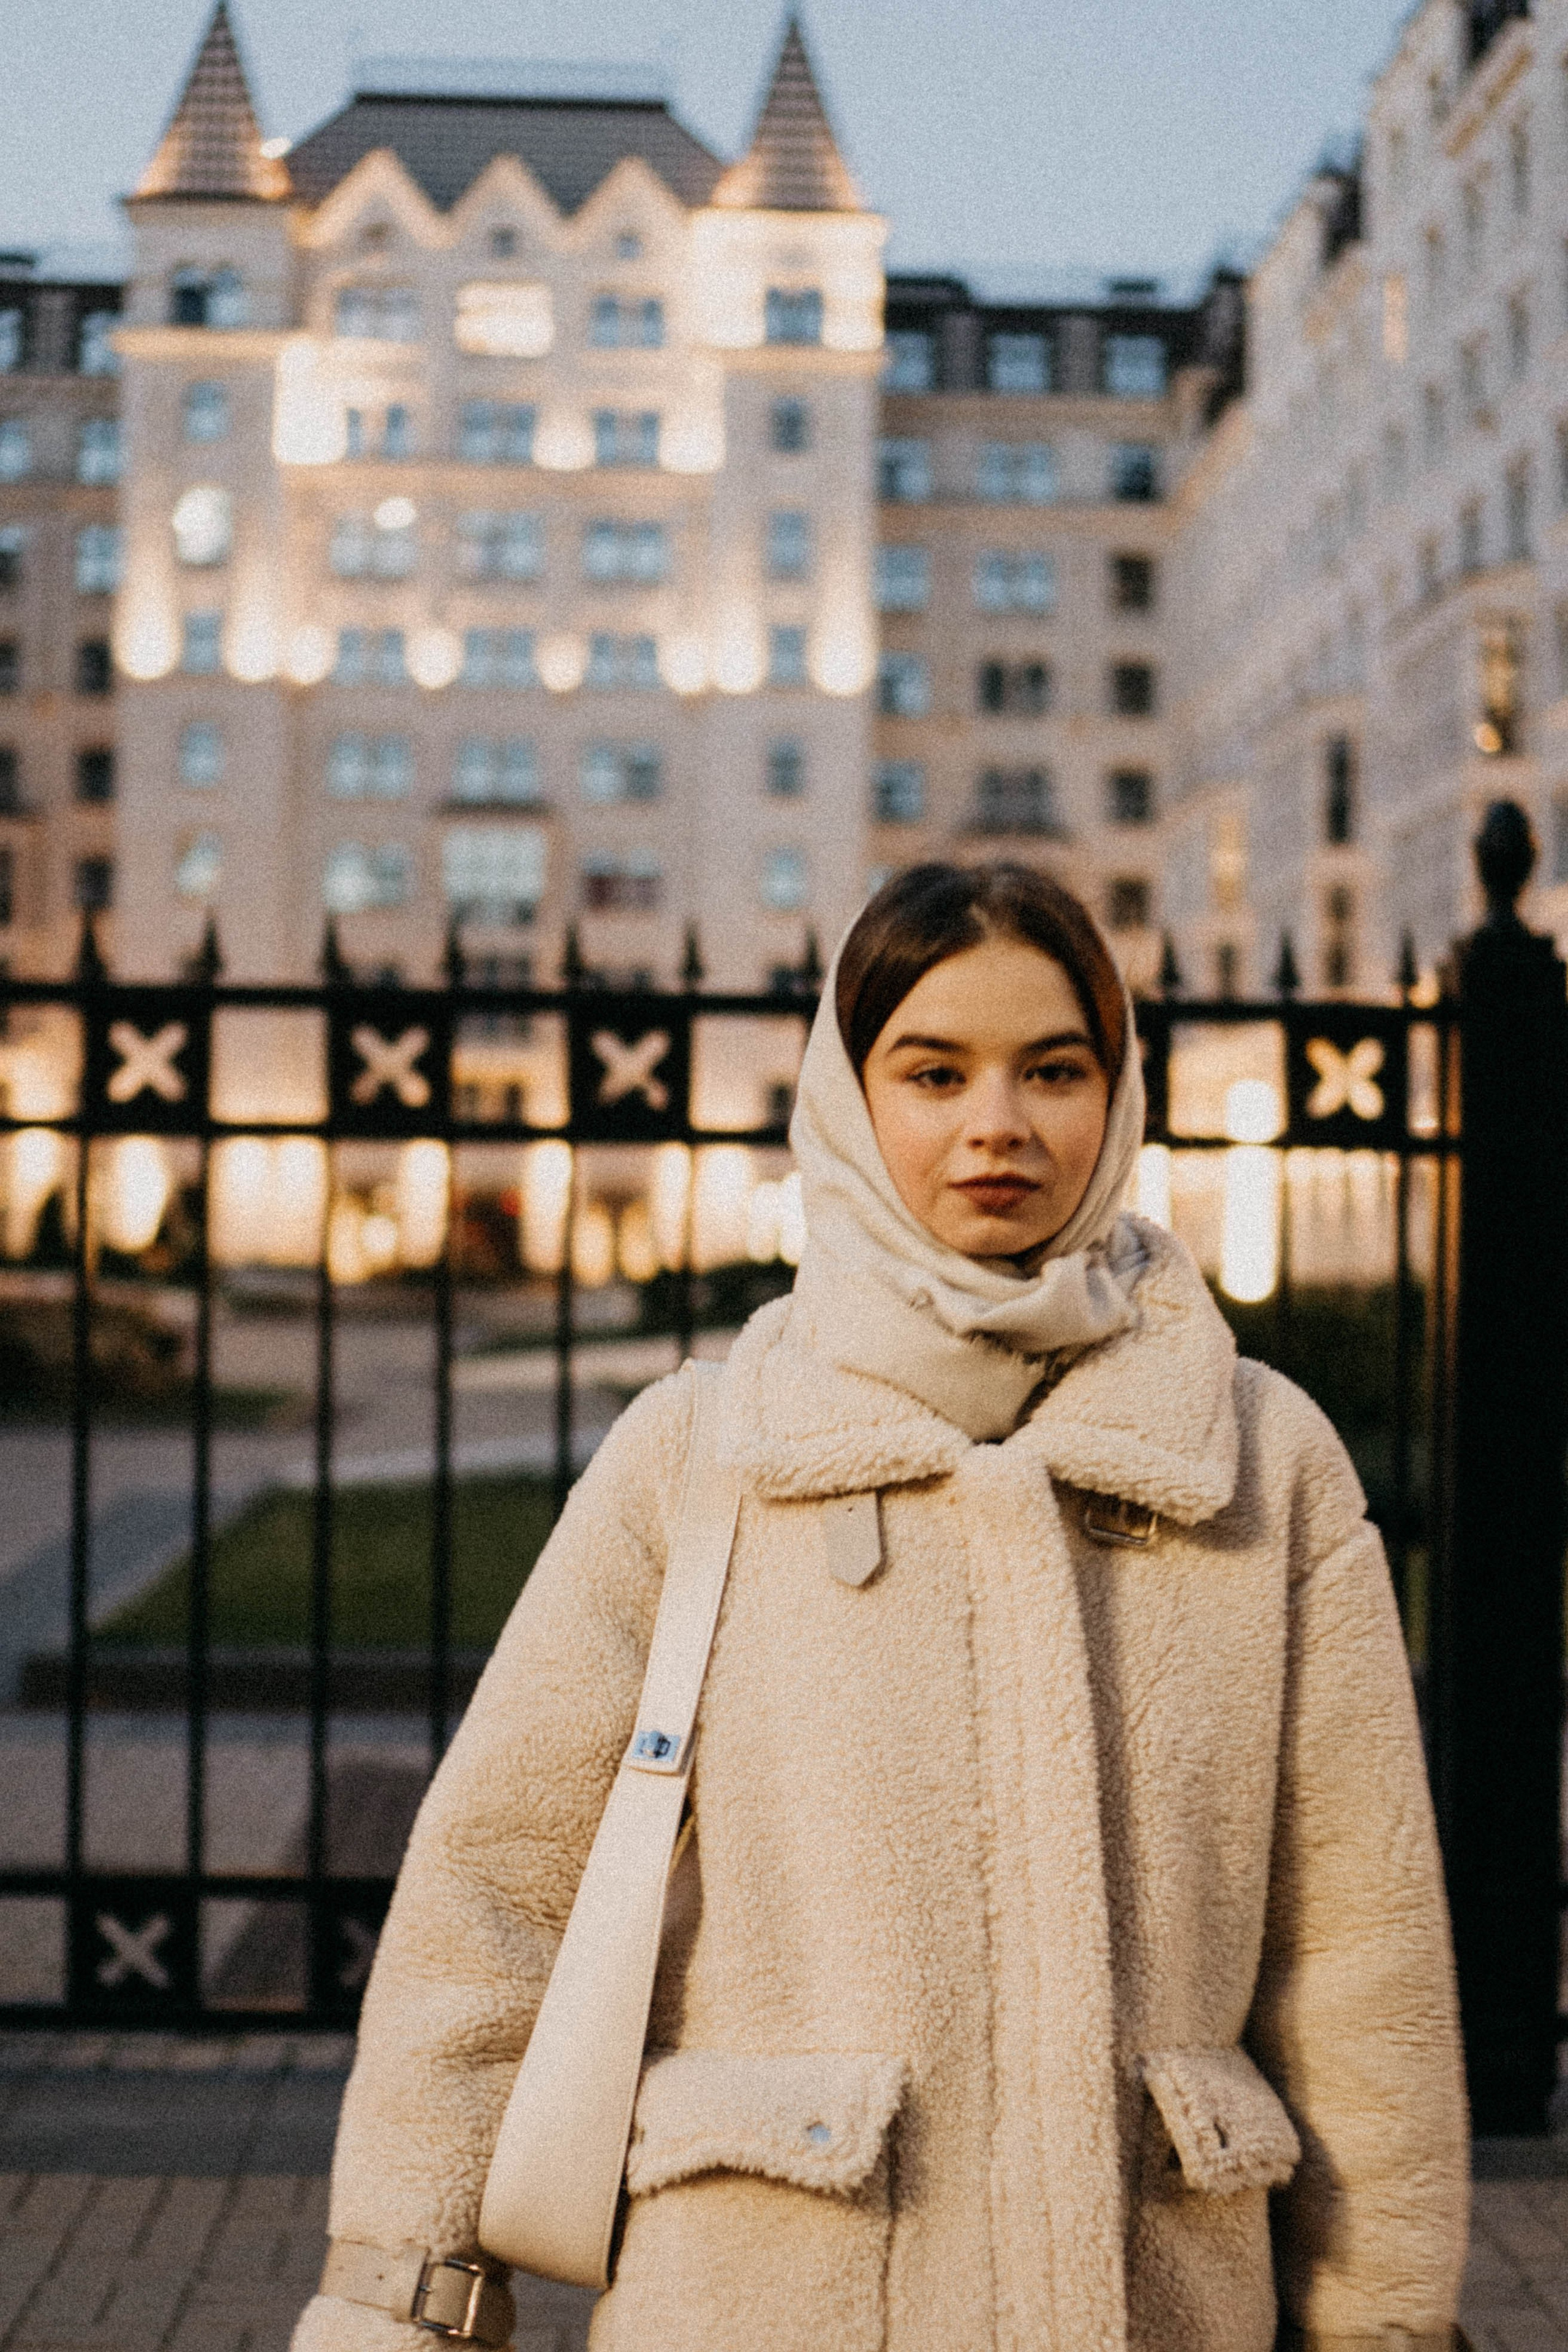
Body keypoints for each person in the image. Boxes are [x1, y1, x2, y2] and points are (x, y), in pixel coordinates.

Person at [293, 862, 1468, 2352]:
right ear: (850, 1103)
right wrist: (407, 2287)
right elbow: (493, 1897)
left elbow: (1359, 1953)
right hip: (757, 2295)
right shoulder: (704, 1448)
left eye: (1055, 1068)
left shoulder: (1256, 1454)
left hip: (1160, 2300)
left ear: (1116, 1096)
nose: (998, 1123)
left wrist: (1381, 2319)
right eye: (932, 1072)